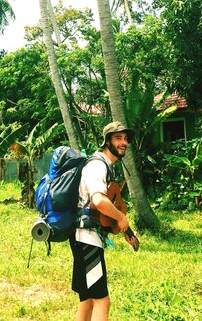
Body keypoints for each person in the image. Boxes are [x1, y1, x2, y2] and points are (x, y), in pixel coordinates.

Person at [70, 121, 138, 321]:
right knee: (101, 300)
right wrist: (121, 217)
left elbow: (107, 211)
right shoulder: (98, 165)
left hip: (83, 237)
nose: (123, 142)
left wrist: (126, 230)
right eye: (118, 138)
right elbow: (99, 201)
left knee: (88, 299)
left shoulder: (104, 166)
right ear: (107, 142)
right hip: (87, 239)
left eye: (125, 138)